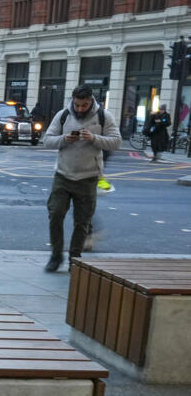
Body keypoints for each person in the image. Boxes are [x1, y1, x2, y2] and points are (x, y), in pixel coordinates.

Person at [42, 85, 121, 272]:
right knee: (55, 215)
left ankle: (74, 259)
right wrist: (64, 139)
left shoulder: (104, 116)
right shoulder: (63, 115)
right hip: (63, 175)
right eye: (77, 105)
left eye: (84, 105)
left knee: (82, 222)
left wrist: (94, 138)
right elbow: (47, 140)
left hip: (88, 177)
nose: (80, 109)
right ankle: (55, 255)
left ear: (91, 101)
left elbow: (116, 142)